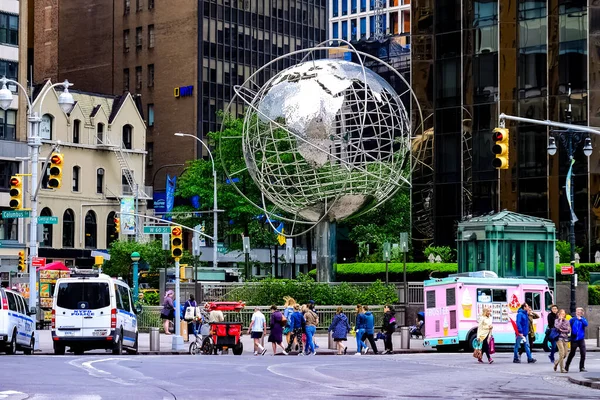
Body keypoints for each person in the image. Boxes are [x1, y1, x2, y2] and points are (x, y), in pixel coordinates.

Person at [565, 307, 588, 373]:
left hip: (581, 339)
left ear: (581, 312)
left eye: (579, 311)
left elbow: (586, 324)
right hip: (574, 339)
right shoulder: (573, 319)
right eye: (577, 311)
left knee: (583, 353)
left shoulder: (583, 319)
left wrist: (581, 319)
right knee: (572, 353)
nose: (577, 312)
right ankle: (567, 366)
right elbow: (568, 325)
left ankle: (582, 367)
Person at [553, 309, 570, 373]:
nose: (562, 315)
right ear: (559, 314)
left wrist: (562, 330)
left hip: (565, 338)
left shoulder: (567, 321)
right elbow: (557, 327)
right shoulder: (556, 320)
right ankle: (562, 369)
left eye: (563, 314)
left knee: (565, 354)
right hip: (559, 338)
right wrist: (560, 320)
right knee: (561, 353)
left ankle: (556, 362)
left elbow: (568, 330)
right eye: (561, 314)